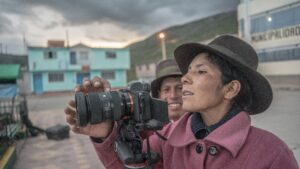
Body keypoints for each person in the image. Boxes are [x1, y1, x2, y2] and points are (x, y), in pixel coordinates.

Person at [66, 35, 299, 169]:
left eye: (200, 71)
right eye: (188, 71)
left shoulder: (271, 154)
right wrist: (104, 132)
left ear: (230, 88)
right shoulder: (168, 138)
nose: (185, 79)